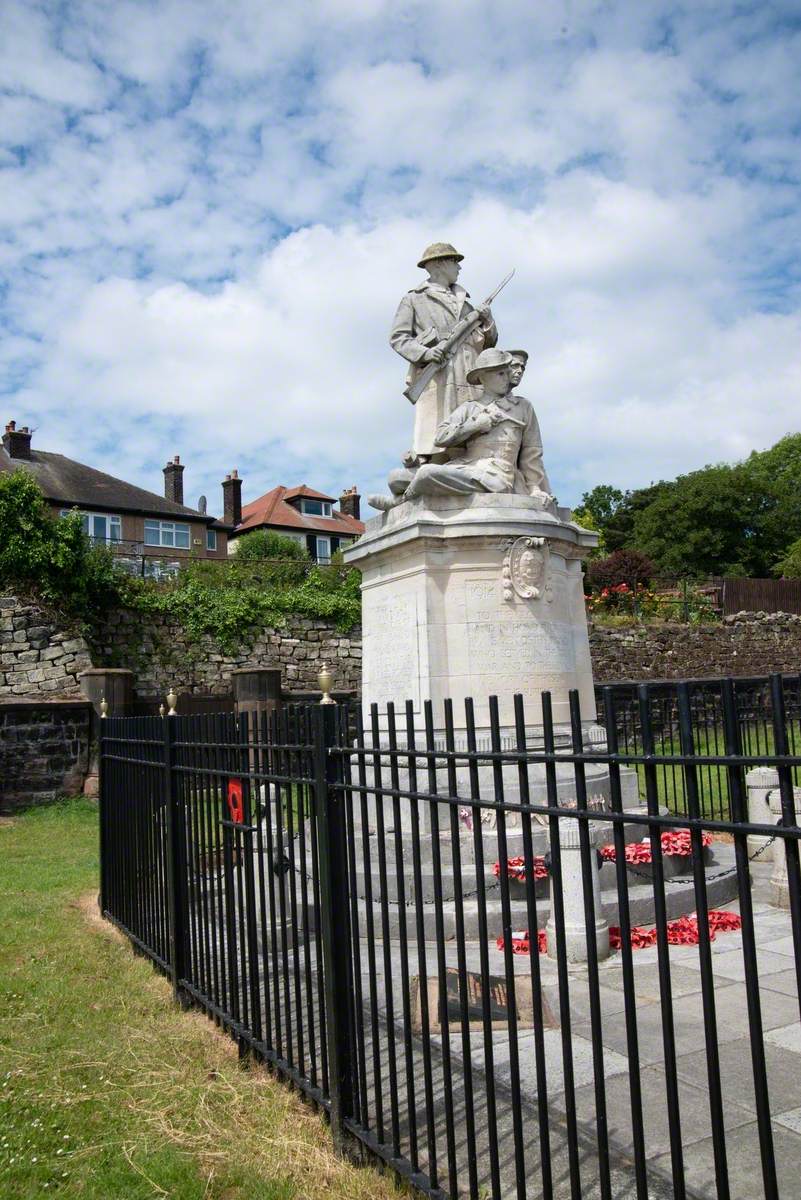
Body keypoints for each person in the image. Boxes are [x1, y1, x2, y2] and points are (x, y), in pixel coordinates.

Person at [369, 349, 555, 508]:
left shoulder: (523, 407)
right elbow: (441, 437)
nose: (508, 377)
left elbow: (532, 453)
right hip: (466, 468)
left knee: (427, 473)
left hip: (497, 476)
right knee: (395, 477)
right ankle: (408, 493)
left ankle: (400, 501)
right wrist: (476, 425)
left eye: (506, 373)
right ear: (484, 377)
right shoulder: (470, 408)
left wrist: (535, 489)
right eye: (500, 374)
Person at [389, 242, 498, 463]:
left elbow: (489, 344)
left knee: (474, 428)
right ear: (438, 264)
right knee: (438, 431)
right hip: (439, 371)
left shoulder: (467, 304)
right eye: (454, 262)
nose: (459, 268)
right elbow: (398, 338)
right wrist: (426, 354)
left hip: (470, 370)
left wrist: (487, 321)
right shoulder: (414, 299)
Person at [505, 349, 554, 500]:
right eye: (514, 366)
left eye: (523, 367)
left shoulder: (524, 406)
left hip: (509, 476)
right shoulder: (474, 403)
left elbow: (532, 450)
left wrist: (534, 486)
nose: (519, 371)